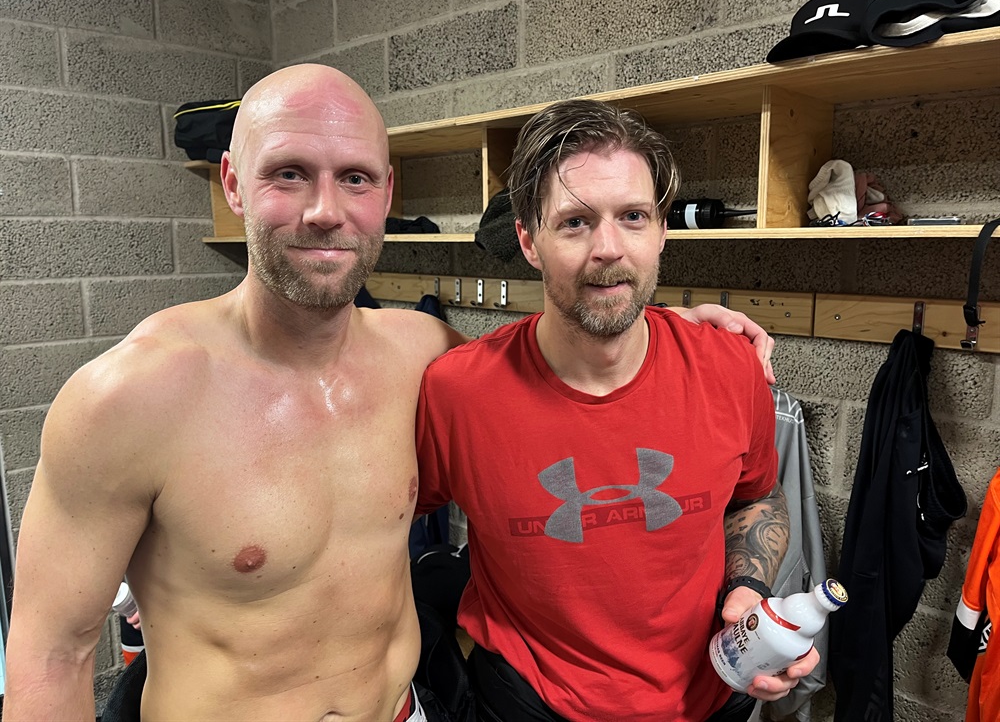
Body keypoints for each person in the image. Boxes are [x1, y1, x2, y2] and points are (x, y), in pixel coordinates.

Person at [4, 67, 774, 722]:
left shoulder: (424, 357)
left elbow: (572, 358)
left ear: (385, 192)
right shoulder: (128, 398)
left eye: (355, 178)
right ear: (232, 183)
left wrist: (679, 329)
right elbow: (51, 657)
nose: (325, 210)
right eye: (288, 173)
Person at [414, 99, 819, 722]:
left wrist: (748, 595)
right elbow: (376, 533)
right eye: (575, 222)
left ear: (661, 232)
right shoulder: (458, 393)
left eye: (633, 216)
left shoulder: (731, 368)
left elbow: (757, 497)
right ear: (528, 240)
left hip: (710, 696)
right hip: (530, 705)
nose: (609, 248)